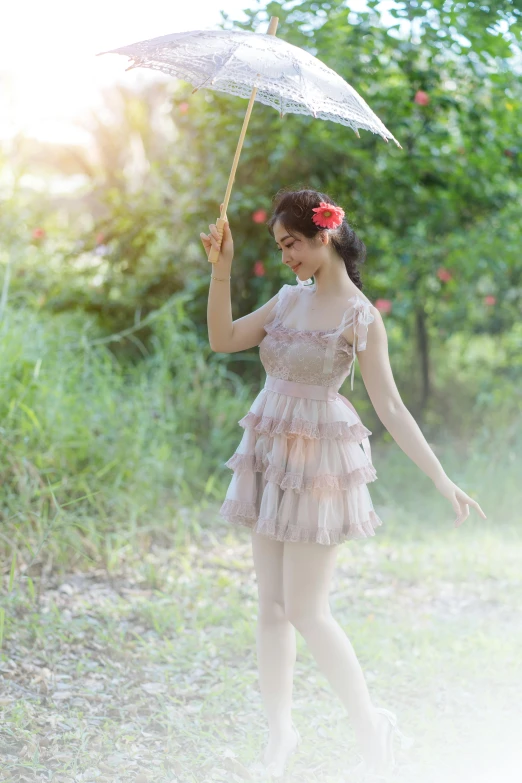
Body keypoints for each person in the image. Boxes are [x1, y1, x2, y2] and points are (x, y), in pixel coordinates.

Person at [201, 189, 487, 780]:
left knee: (306, 607)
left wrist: (442, 479)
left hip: (320, 461)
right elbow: (223, 338)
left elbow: (392, 406)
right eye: (280, 247)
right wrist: (222, 271)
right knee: (271, 608)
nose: (286, 258)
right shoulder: (284, 301)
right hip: (269, 448)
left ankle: (369, 723)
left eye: (292, 245)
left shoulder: (361, 317)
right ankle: (280, 736)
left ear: (323, 236)